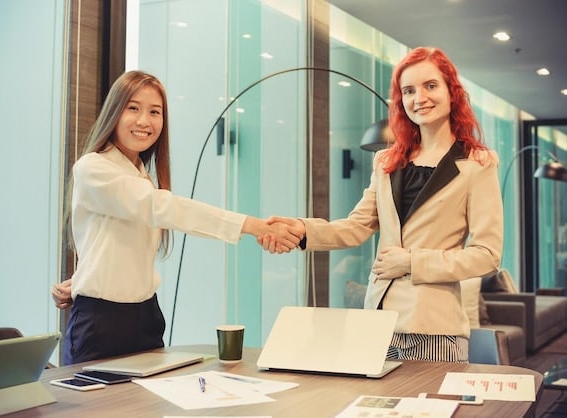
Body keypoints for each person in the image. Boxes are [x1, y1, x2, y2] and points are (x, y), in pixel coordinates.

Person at [262, 47, 503, 362]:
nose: (419, 98)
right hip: (379, 321)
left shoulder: (478, 164)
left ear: (451, 92)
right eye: (408, 90)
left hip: (436, 329)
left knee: (435, 411)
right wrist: (302, 229)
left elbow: (487, 255)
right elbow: (356, 227)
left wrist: (412, 262)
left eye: (430, 86)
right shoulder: (386, 161)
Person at [52, 70, 303, 365]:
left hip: (146, 317)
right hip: (101, 324)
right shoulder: (93, 168)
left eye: (154, 112)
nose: (145, 121)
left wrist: (83, 278)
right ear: (114, 113)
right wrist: (253, 225)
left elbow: (117, 247)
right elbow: (164, 207)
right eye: (133, 108)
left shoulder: (141, 175)